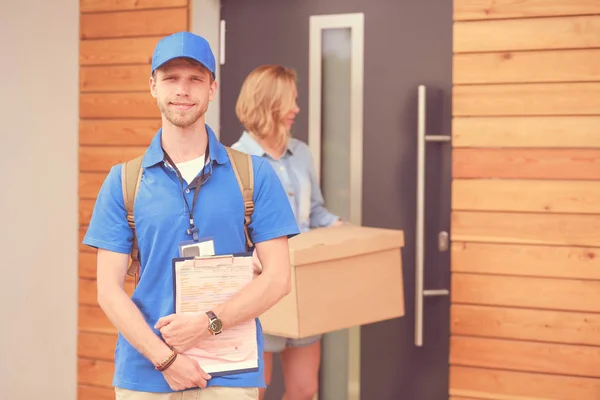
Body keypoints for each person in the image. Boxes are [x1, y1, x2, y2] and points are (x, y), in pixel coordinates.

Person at [82, 32, 300, 400]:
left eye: (195, 79)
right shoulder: (123, 182)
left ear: (212, 88)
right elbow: (108, 290)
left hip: (230, 372)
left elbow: (278, 278)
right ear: (153, 85)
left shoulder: (255, 176)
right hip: (146, 375)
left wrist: (207, 323)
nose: (183, 90)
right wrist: (166, 359)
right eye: (171, 78)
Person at [232, 65, 342, 400]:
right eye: (289, 101)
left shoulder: (301, 153)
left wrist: (344, 233)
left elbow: (316, 211)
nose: (296, 108)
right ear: (266, 103)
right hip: (257, 287)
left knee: (304, 390)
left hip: (304, 284)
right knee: (254, 391)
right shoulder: (234, 161)